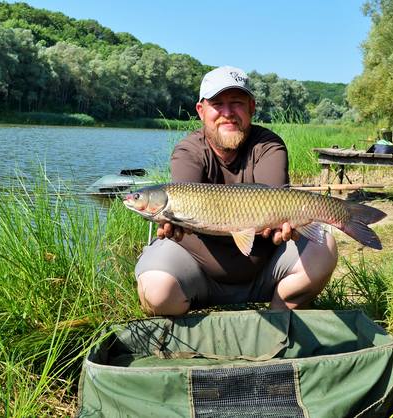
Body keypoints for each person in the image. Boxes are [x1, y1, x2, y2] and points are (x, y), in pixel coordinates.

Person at [134, 65, 338, 315]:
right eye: (217, 104)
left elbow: (274, 208)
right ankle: (188, 323)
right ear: (201, 110)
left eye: (237, 103)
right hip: (199, 271)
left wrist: (279, 231)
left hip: (265, 271)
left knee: (324, 247)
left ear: (251, 107)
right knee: (154, 290)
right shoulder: (188, 151)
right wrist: (171, 224)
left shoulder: (268, 146)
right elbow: (182, 201)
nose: (227, 113)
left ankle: (280, 321)